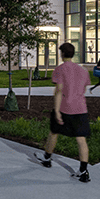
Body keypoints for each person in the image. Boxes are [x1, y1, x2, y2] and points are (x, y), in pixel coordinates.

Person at [35, 42, 92, 183]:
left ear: (62, 54)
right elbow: (84, 89)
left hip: (64, 107)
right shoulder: (83, 70)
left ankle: (47, 159)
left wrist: (56, 110)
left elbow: (59, 91)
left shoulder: (60, 69)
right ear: (73, 54)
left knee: (54, 132)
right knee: (81, 139)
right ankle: (83, 171)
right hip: (80, 108)